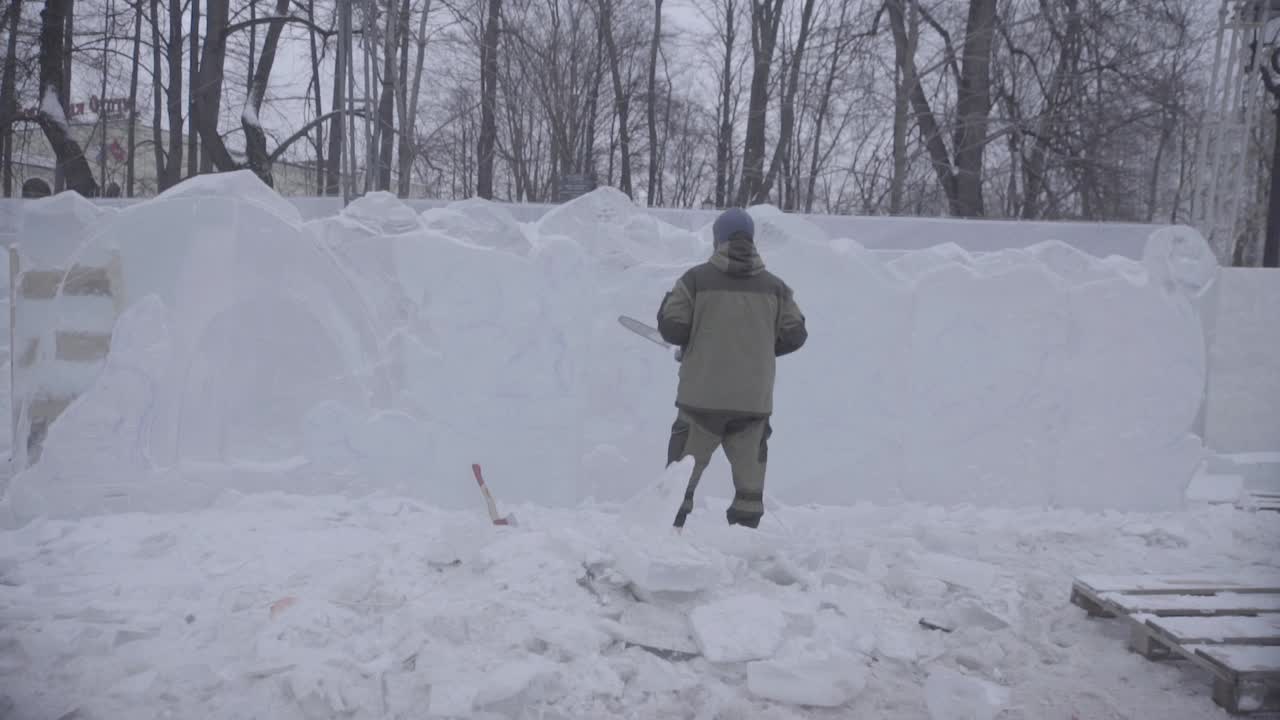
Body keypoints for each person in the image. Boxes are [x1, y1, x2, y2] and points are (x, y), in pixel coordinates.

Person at [656, 207, 807, 529]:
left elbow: (673, 329)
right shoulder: (776, 287)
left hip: (701, 401)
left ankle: (667, 539)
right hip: (753, 402)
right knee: (749, 487)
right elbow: (796, 335)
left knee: (680, 481)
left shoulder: (695, 280)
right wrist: (761, 350)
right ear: (751, 239)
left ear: (717, 240)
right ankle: (745, 546)